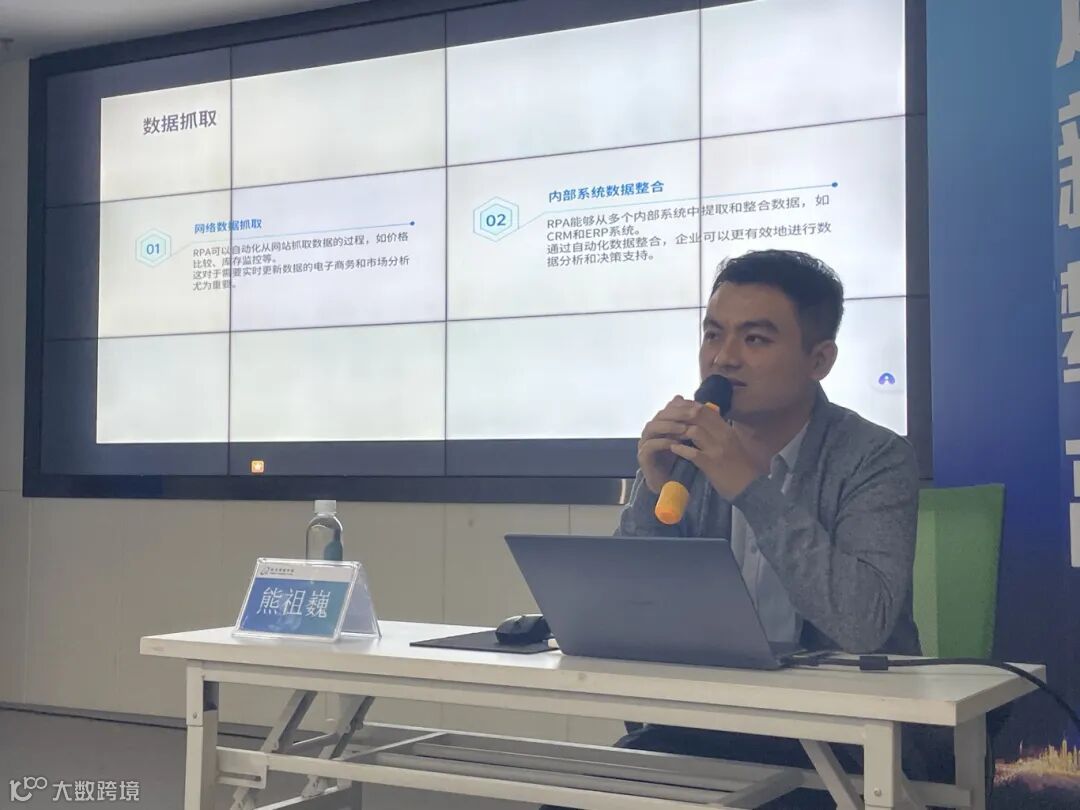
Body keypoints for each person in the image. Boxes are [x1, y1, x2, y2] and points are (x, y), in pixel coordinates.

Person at [543, 249, 945, 810]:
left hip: (844, 746)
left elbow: (862, 624)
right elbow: (625, 617)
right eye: (713, 334)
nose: (723, 359)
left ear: (819, 359)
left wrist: (748, 487)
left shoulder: (875, 457)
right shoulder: (689, 453)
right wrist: (654, 490)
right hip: (703, 727)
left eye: (754, 339)